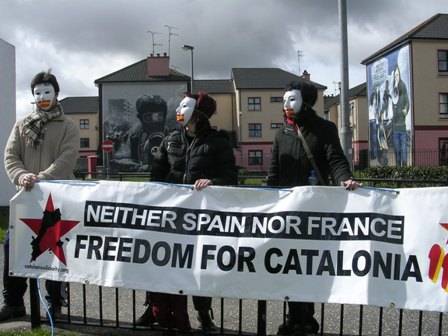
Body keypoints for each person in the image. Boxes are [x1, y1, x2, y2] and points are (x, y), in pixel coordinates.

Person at [267, 81, 359, 335]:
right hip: (287, 212)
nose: (286, 105)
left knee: (306, 266)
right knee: (289, 265)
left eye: (292, 100)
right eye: (284, 100)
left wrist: (345, 178)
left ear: (306, 103)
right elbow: (274, 172)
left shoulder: (324, 129)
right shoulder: (281, 134)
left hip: (313, 211)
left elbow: (335, 160)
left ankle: (305, 318)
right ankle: (293, 316)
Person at [145, 91, 237, 331]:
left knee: (198, 266)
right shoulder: (170, 139)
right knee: (160, 261)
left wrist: (213, 182)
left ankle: (203, 313)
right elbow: (157, 172)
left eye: (185, 107)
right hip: (170, 216)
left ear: (199, 114)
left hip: (200, 219)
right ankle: (153, 309)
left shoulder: (219, 142)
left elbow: (231, 177)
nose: (179, 111)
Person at [2, 70, 80, 321]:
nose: (43, 97)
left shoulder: (68, 126)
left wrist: (42, 178)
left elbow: (67, 158)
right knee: (12, 249)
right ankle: (13, 302)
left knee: (54, 250)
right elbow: (10, 156)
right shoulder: (22, 124)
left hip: (56, 201)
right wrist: (22, 176)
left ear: (56, 93)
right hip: (25, 199)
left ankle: (54, 303)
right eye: (38, 93)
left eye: (47, 92)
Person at [129, 95, 167, 171]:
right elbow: (130, 160)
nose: (154, 122)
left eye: (159, 116)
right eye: (148, 117)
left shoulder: (173, 135)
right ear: (140, 118)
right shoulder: (135, 138)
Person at [391, 65, 409, 167]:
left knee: (403, 149)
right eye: (395, 75)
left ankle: (405, 167)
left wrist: (405, 110)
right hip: (395, 127)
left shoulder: (403, 87)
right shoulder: (392, 89)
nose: (396, 77)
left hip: (402, 126)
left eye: (398, 75)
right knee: (397, 150)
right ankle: (398, 167)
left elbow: (407, 102)